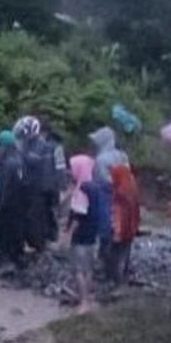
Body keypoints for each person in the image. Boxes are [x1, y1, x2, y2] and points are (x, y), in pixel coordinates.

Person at [65, 155, 103, 313]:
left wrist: (67, 235)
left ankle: (83, 302)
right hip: (93, 235)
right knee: (89, 268)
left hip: (81, 236)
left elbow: (78, 217)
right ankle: (88, 297)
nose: (70, 172)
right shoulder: (95, 187)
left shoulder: (81, 190)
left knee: (78, 270)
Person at [90, 127, 129, 275]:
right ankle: (119, 268)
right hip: (124, 198)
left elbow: (100, 180)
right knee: (121, 232)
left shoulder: (101, 160)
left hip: (106, 196)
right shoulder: (123, 156)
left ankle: (106, 266)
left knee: (105, 230)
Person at [0, 130, 27, 269]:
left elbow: (3, 187)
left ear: (5, 147)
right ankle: (17, 261)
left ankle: (6, 263)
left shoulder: (7, 164)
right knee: (15, 237)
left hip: (6, 208)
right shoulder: (21, 160)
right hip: (19, 206)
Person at [16, 117, 48, 252]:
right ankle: (29, 242)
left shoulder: (41, 144)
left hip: (37, 187)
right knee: (25, 216)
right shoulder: (27, 143)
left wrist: (22, 153)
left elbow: (35, 160)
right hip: (27, 185)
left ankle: (38, 245)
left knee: (34, 217)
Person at [108, 160, 141, 286]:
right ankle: (123, 278)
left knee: (116, 255)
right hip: (131, 228)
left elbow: (117, 214)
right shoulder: (132, 188)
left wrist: (116, 232)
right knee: (125, 253)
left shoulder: (119, 194)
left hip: (121, 229)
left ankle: (117, 281)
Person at [36, 129, 68, 243]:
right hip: (52, 187)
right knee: (52, 212)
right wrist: (63, 187)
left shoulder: (39, 147)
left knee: (41, 212)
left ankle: (41, 236)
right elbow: (60, 168)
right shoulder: (57, 148)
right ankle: (52, 237)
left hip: (39, 186)